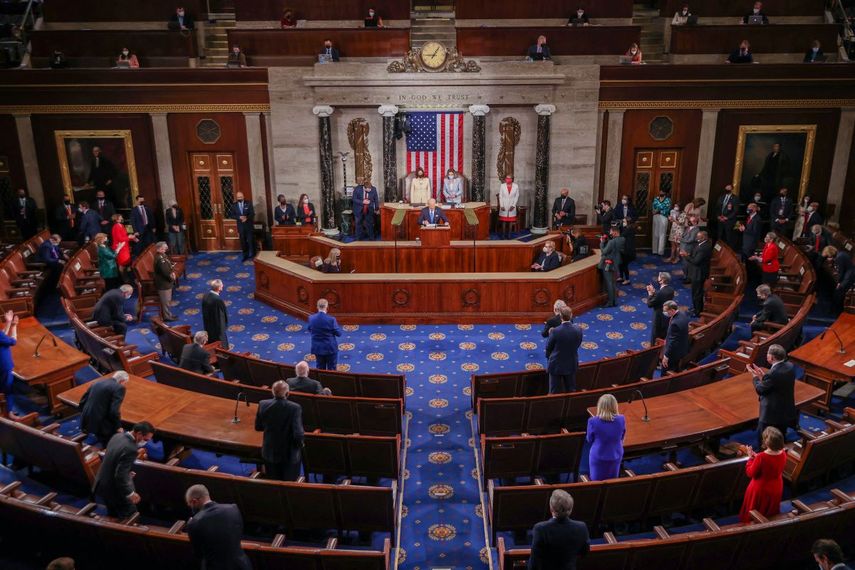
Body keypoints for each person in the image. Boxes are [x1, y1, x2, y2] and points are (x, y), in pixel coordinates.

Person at [93, 421, 155, 519]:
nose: (146, 442)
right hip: (115, 489)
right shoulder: (131, 448)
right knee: (131, 515)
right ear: (138, 434)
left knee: (112, 514)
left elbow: (113, 459)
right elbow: (120, 475)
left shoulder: (117, 436)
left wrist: (126, 472)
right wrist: (130, 493)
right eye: (146, 439)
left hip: (102, 483)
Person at [185, 484, 252, 570]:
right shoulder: (233, 508)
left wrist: (192, 524)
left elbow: (198, 554)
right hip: (240, 565)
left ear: (194, 501)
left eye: (190, 504)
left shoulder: (194, 523)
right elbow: (238, 533)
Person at [747, 344, 797, 445]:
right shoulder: (790, 366)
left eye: (767, 354)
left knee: (764, 440)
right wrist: (764, 377)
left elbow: (760, 390)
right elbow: (776, 383)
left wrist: (755, 377)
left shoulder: (772, 374)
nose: (767, 356)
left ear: (772, 357)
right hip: (785, 411)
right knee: (780, 438)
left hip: (771, 415)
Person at [527, 490, 590, 570]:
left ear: (551, 509)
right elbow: (584, 552)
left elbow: (534, 564)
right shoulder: (582, 527)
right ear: (570, 509)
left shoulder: (540, 529)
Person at [254, 381, 304, 481]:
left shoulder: (263, 404)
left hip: (269, 451)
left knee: (273, 481)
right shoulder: (295, 408)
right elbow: (298, 433)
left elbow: (258, 427)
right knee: (289, 483)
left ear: (272, 392)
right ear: (287, 393)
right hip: (289, 454)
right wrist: (300, 445)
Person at [79, 371, 128, 447]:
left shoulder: (97, 382)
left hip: (86, 419)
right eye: (125, 383)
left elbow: (82, 401)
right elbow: (114, 411)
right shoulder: (119, 388)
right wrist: (118, 427)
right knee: (115, 439)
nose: (125, 385)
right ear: (122, 381)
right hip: (101, 424)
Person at [586, 394, 626, 481]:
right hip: (616, 455)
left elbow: (589, 439)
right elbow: (622, 436)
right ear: (615, 406)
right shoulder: (622, 419)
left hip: (598, 457)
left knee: (597, 483)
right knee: (612, 483)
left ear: (600, 406)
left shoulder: (592, 421)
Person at [544, 306, 583, 394]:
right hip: (571, 363)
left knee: (554, 392)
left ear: (560, 317)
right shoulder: (579, 329)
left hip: (556, 365)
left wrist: (550, 334)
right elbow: (578, 344)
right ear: (571, 315)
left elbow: (548, 347)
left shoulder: (555, 331)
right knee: (571, 391)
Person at [308, 298, 342, 371]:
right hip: (330, 348)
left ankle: (321, 382)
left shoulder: (311, 318)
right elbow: (338, 334)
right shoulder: (331, 319)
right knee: (332, 369)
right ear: (327, 307)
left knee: (320, 369)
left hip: (317, 347)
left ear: (317, 307)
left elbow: (309, 329)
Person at [684, 230, 712, 316]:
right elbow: (695, 255)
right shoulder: (701, 244)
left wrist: (686, 256)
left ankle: (697, 311)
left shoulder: (704, 248)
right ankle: (696, 307)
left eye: (698, 237)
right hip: (697, 273)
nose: (696, 238)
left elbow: (696, 261)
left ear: (703, 237)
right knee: (695, 292)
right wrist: (690, 254)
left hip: (698, 274)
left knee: (697, 293)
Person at [822, 246, 855, 312]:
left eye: (827, 257)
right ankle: (838, 309)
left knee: (838, 291)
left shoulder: (839, 257)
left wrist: (838, 283)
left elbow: (841, 272)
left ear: (830, 254)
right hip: (849, 274)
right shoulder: (840, 254)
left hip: (849, 277)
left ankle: (836, 310)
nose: (827, 259)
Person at [646, 272, 675, 344]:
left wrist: (650, 294)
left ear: (662, 280)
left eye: (659, 277)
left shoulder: (659, 293)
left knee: (655, 336)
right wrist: (654, 292)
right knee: (663, 334)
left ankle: (653, 351)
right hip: (667, 315)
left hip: (658, 317)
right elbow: (661, 296)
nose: (657, 278)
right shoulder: (671, 290)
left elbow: (649, 304)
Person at [598, 226, 623, 308]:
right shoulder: (622, 239)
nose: (610, 233)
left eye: (611, 232)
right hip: (616, 262)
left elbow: (604, 251)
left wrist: (602, 243)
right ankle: (614, 301)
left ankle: (610, 302)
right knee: (613, 282)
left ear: (615, 232)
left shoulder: (612, 242)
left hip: (608, 264)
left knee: (609, 283)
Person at [662, 300, 689, 373]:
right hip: (682, 349)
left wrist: (666, 356)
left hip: (673, 353)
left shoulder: (675, 323)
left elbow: (673, 341)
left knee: (666, 370)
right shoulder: (682, 314)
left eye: (666, 311)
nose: (664, 313)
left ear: (672, 310)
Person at [202, 279, 229, 349]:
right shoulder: (218, 300)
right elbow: (221, 317)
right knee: (221, 347)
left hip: (208, 326)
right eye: (222, 285)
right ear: (219, 288)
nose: (223, 286)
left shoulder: (205, 296)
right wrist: (224, 327)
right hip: (218, 330)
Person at [0, 311, 19, 414]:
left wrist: (8, 322)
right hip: (3, 365)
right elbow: (13, 341)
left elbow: (2, 336)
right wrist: (14, 326)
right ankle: (9, 412)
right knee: (8, 388)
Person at [153, 242, 177, 321]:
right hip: (163, 284)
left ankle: (169, 315)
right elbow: (165, 272)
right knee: (165, 302)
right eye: (164, 248)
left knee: (167, 301)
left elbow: (167, 265)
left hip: (165, 282)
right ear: (159, 249)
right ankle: (167, 317)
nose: (165, 250)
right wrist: (172, 278)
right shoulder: (160, 259)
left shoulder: (162, 256)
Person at [110, 213, 134, 284]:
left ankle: (128, 278)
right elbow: (119, 238)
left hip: (125, 247)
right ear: (116, 219)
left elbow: (124, 236)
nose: (122, 218)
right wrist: (129, 237)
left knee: (127, 263)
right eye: (120, 217)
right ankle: (124, 280)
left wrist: (131, 237)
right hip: (120, 248)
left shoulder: (121, 225)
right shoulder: (116, 226)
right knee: (122, 264)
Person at [231, 192, 254, 261]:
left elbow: (252, 213)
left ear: (243, 196)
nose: (239, 198)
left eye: (240, 197)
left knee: (250, 241)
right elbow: (232, 215)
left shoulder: (248, 203)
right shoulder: (234, 205)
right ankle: (245, 256)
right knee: (243, 242)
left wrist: (246, 218)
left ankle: (253, 255)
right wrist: (239, 217)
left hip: (248, 226)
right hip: (240, 227)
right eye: (238, 197)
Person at [679, 214, 701, 280]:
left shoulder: (696, 230)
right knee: (684, 263)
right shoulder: (688, 228)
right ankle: (685, 275)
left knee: (687, 264)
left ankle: (688, 277)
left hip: (689, 249)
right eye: (689, 220)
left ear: (695, 222)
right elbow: (683, 235)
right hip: (683, 247)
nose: (688, 222)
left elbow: (690, 240)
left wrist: (681, 239)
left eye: (690, 221)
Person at [650, 190, 672, 256]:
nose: (661, 192)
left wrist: (659, 211)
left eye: (662, 191)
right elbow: (653, 206)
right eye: (660, 191)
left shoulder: (668, 200)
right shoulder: (656, 199)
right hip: (656, 216)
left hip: (663, 217)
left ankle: (660, 251)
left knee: (662, 233)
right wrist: (654, 211)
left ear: (665, 193)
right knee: (655, 233)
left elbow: (668, 209)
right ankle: (654, 250)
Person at [618, 217, 636, 285]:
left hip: (628, 250)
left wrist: (619, 226)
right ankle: (621, 277)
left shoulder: (629, 229)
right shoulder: (627, 228)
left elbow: (621, 235)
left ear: (628, 223)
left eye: (624, 222)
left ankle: (627, 279)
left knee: (624, 265)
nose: (623, 223)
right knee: (621, 263)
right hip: (624, 249)